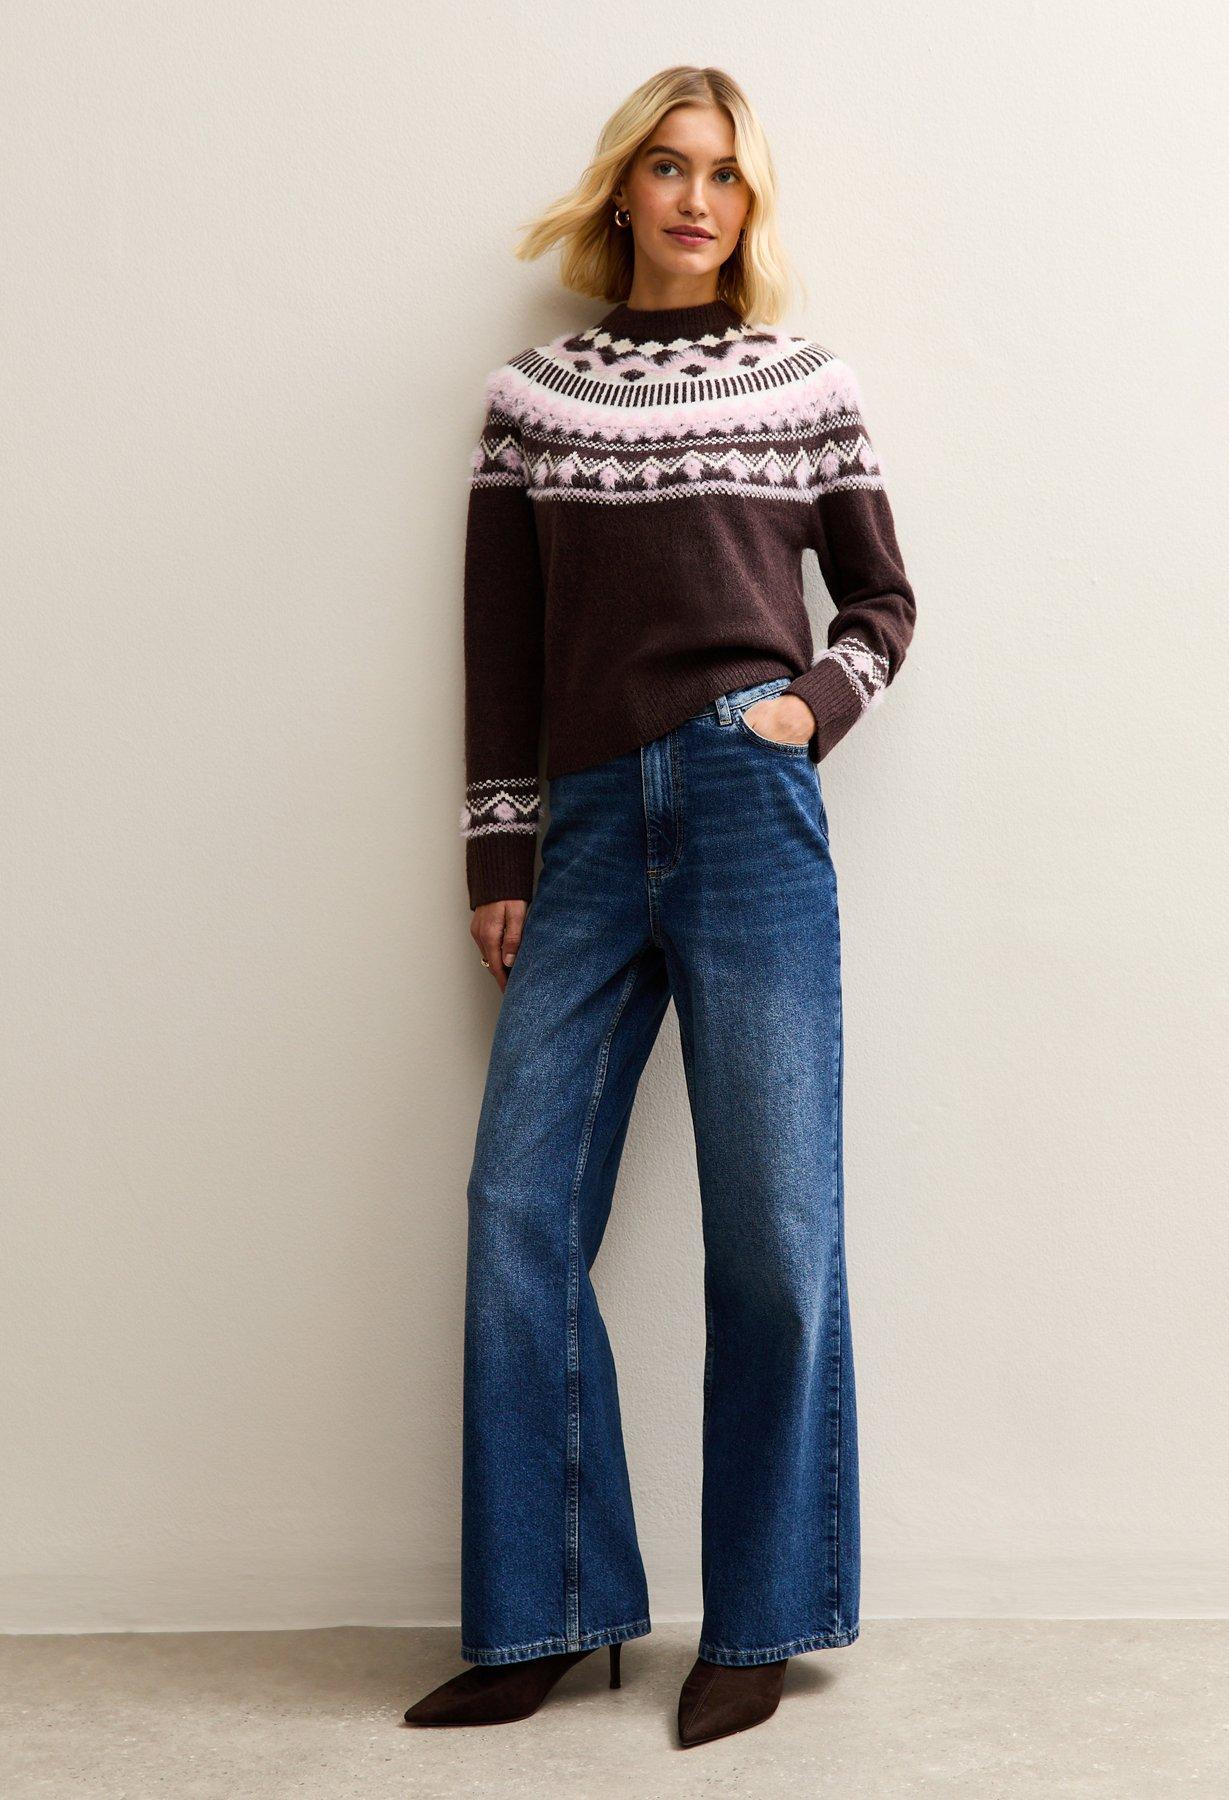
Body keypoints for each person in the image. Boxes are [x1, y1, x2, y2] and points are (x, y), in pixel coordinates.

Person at [404, 63, 917, 1750]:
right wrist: (500, 852)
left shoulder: (804, 384)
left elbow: (882, 600)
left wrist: (806, 715)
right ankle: (550, 1610)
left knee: (772, 1231)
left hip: (746, 804)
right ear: (622, 188)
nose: (699, 199)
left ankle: (760, 1617)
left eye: (726, 175)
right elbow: (500, 642)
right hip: (581, 834)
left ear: (746, 205)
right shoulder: (532, 399)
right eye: (671, 169)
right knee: (517, 1212)